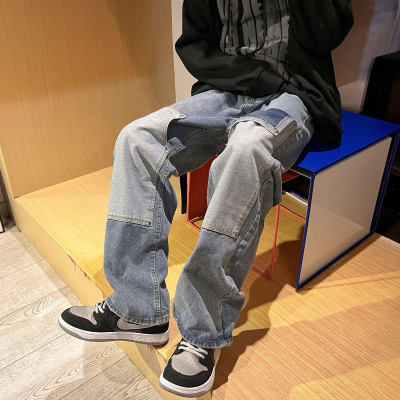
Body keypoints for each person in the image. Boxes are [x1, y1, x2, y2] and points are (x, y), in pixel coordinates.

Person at [58, 0, 353, 397]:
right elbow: (194, 46)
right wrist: (253, 75)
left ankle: (204, 332)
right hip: (226, 93)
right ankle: (138, 308)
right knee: (137, 138)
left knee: (246, 149)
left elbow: (329, 32)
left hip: (295, 96)